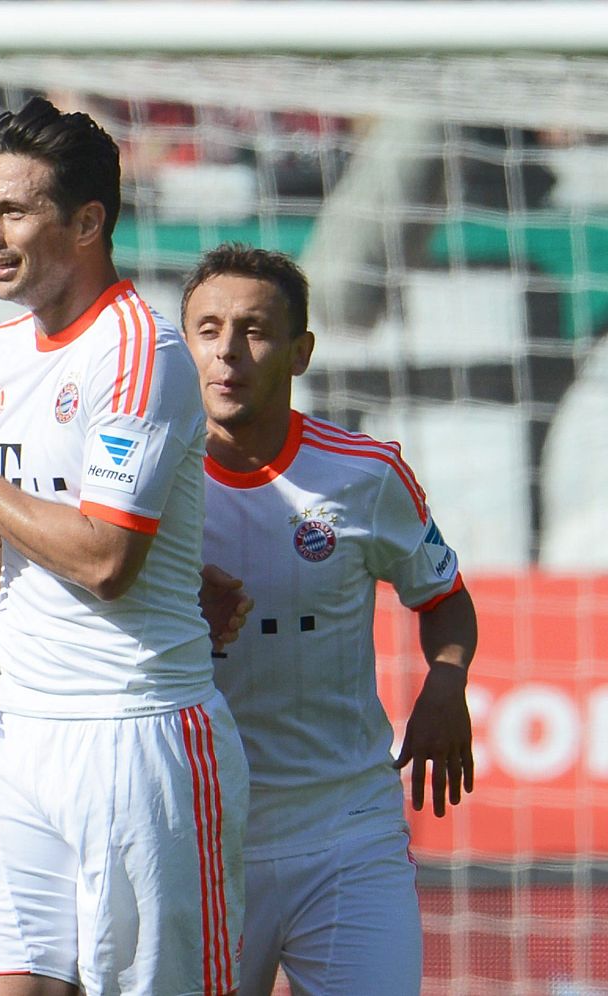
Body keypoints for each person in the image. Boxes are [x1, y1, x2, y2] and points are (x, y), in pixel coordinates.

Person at [0, 98, 248, 995]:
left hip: (137, 738)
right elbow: (5, 546)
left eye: (14, 211)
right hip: (14, 735)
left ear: (88, 221)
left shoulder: (141, 351)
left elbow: (104, 560)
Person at [179, 244, 477, 995]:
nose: (227, 350)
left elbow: (444, 598)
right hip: (199, 832)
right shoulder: (146, 477)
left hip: (347, 831)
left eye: (254, 330)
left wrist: (447, 681)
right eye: (208, 330)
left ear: (300, 352)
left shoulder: (365, 473)